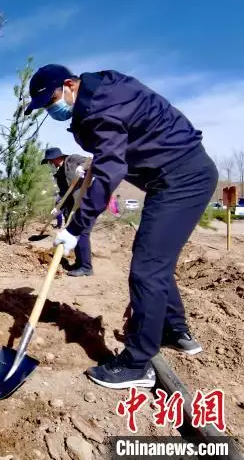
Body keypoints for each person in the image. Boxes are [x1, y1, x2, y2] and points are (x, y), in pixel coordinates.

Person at [25, 64, 217, 390]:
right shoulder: (102, 93)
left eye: (52, 99)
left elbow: (110, 170)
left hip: (182, 179)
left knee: (146, 269)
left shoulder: (99, 107)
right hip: (172, 179)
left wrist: (76, 229)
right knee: (153, 261)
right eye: (45, 106)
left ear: (70, 85)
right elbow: (112, 150)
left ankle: (137, 363)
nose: (50, 109)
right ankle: (174, 330)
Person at [41, 147, 93, 277]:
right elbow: (64, 194)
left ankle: (86, 267)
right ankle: (79, 263)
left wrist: (82, 168)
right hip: (71, 207)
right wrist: (58, 207)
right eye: (50, 162)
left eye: (51, 161)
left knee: (82, 234)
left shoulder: (72, 159)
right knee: (73, 233)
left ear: (58, 158)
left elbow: (90, 161)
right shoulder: (59, 175)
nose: (51, 164)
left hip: (84, 202)